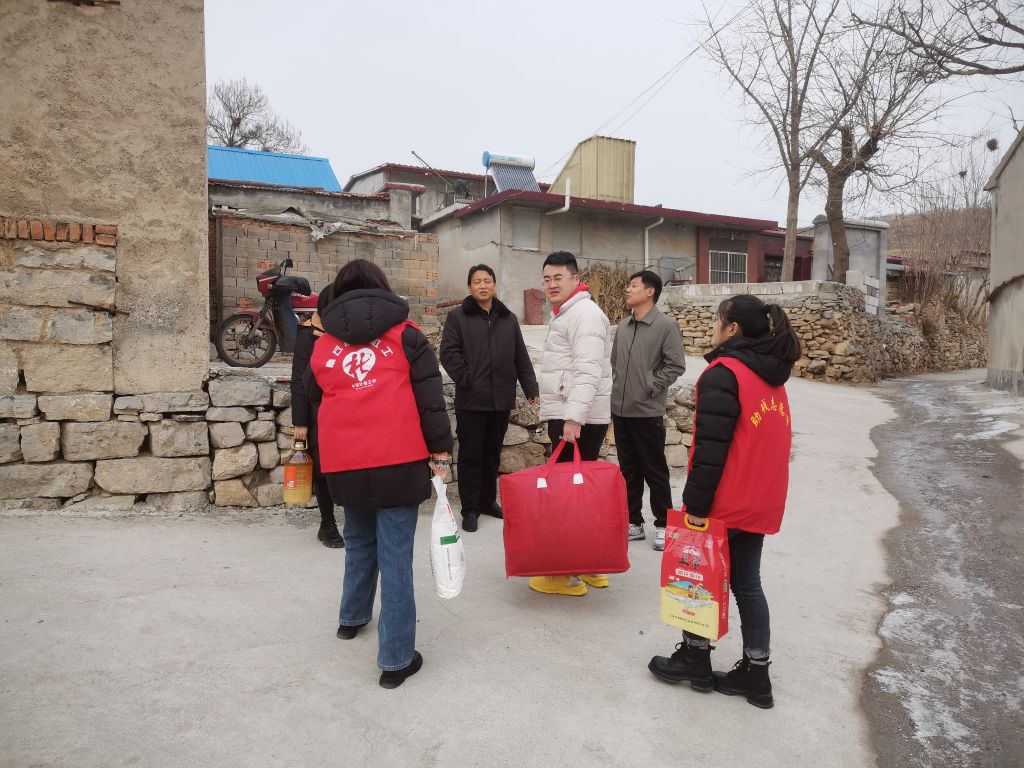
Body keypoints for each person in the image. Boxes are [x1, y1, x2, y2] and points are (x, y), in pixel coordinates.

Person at [647, 294, 801, 709]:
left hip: (725, 500)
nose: (712, 326)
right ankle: (757, 672)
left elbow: (710, 449)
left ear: (733, 329)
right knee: (748, 583)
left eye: (717, 320)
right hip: (760, 497)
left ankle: (695, 658)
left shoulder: (724, 373)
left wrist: (695, 506)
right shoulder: (771, 375)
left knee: (698, 577)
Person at [305, 259, 453, 689]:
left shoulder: (324, 345)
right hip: (398, 461)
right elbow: (430, 401)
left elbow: (314, 401)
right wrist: (441, 451)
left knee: (358, 540)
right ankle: (395, 659)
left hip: (346, 464)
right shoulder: (407, 337)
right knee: (395, 557)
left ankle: (351, 618)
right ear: (382, 289)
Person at [532, 251, 613, 597]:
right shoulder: (570, 312)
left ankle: (564, 575)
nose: (551, 284)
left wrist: (573, 418)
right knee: (579, 494)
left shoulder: (584, 314)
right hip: (575, 415)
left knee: (565, 496)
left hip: (575, 417)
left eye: (558, 278)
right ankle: (588, 564)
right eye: (546, 279)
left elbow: (588, 370)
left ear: (575, 279)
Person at [440, 264, 539, 533]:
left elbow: (520, 355)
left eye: (487, 281)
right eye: (477, 282)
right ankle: (470, 508)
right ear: (470, 287)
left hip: (500, 400)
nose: (483, 286)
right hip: (471, 400)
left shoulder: (508, 318)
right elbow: (448, 353)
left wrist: (530, 387)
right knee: (471, 455)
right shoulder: (458, 317)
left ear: (494, 284)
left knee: (492, 454)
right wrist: (467, 379)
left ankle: (487, 501)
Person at [610, 269, 686, 551]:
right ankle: (634, 522)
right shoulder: (623, 326)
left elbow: (676, 364)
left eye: (634, 285)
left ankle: (664, 524)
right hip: (621, 410)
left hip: (647, 411)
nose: (628, 289)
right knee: (628, 470)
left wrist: (651, 386)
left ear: (650, 291)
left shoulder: (665, 325)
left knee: (654, 471)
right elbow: (615, 362)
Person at [290, 285, 343, 548]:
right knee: (322, 469)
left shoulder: (347, 334)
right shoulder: (307, 335)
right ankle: (327, 524)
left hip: (344, 410)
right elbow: (299, 381)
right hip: (317, 411)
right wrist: (300, 422)